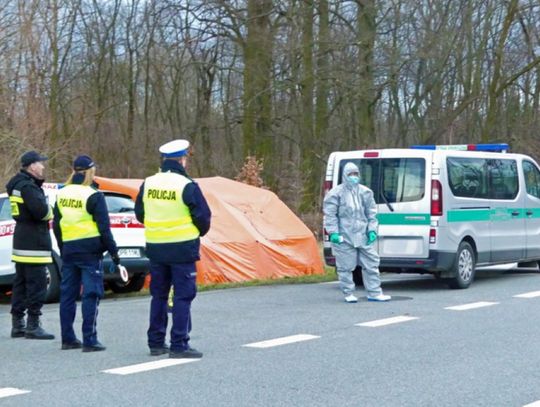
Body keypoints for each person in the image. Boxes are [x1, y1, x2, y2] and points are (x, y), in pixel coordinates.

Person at [135, 139, 211, 359]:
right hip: (182, 248)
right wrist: (195, 232)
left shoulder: (148, 183)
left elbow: (140, 213)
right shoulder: (186, 185)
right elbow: (203, 217)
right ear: (182, 159)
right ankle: (179, 343)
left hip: (156, 247)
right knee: (182, 296)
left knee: (158, 295)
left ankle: (156, 343)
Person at [53, 155, 121, 352]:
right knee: (91, 294)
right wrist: (115, 254)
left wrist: (63, 247)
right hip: (90, 252)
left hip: (69, 250)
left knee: (68, 295)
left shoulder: (62, 193)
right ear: (91, 171)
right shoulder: (93, 195)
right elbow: (104, 229)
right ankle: (89, 339)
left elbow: (57, 224)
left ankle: (68, 338)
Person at [323, 162, 391, 303]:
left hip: (363, 235)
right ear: (345, 176)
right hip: (344, 236)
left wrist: (372, 230)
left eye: (356, 174)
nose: (353, 177)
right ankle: (348, 293)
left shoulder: (365, 192)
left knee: (371, 263)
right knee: (345, 266)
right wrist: (333, 233)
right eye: (350, 174)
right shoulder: (335, 194)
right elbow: (330, 215)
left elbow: (372, 213)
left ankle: (374, 292)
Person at [6, 151, 55, 339]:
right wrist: (50, 209)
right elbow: (42, 212)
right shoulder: (29, 187)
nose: (43, 166)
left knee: (21, 282)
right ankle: (33, 325)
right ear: (32, 166)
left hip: (21, 239)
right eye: (40, 163)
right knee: (37, 284)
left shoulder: (16, 185)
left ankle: (17, 323)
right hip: (35, 241)